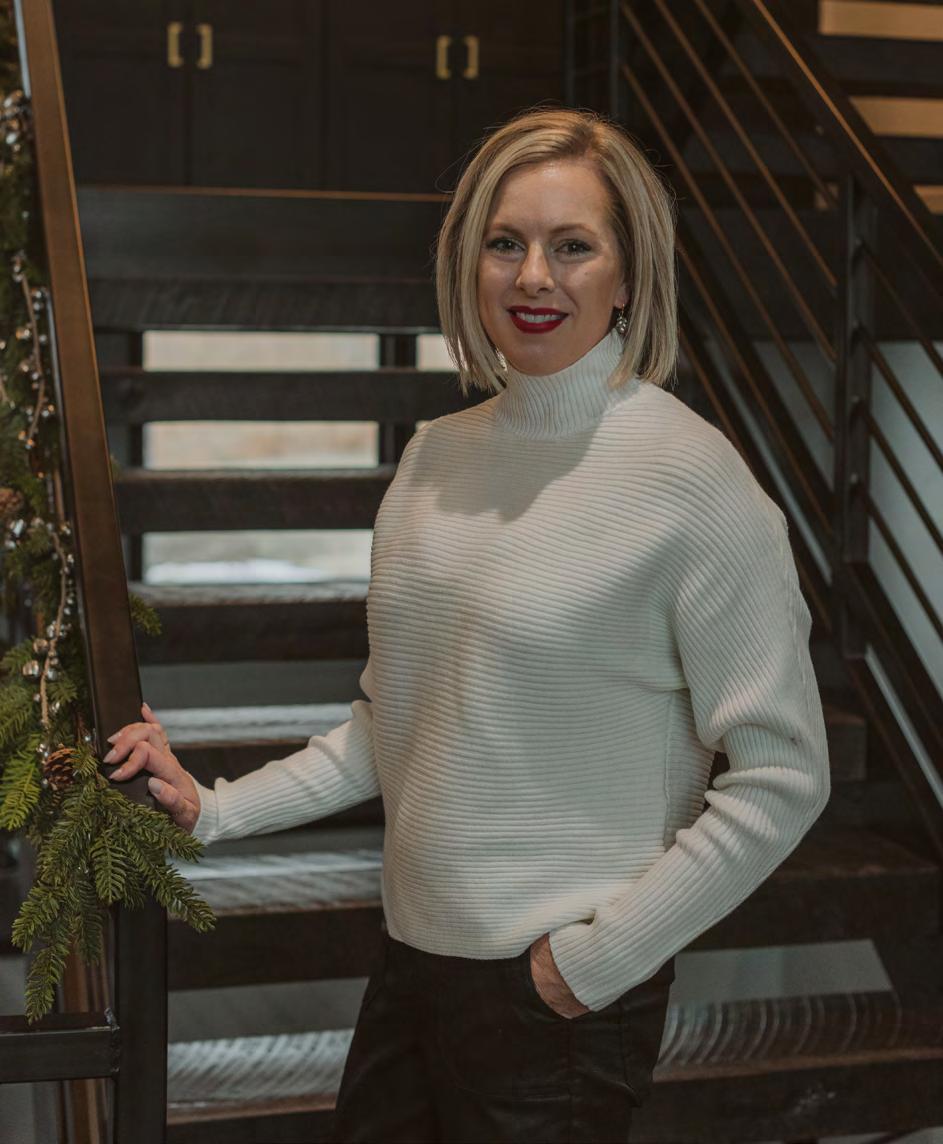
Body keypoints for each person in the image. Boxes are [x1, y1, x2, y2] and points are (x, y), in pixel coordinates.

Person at [104, 106, 831, 1143]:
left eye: (572, 246)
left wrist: (589, 964)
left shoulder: (692, 480)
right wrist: (213, 810)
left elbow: (783, 775)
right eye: (505, 243)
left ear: (629, 275)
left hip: (558, 1005)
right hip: (413, 968)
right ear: (470, 261)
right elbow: (396, 724)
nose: (533, 276)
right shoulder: (434, 457)